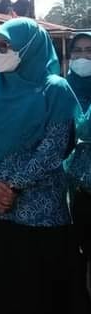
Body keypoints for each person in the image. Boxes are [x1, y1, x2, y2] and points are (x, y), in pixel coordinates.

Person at [0, 18, 90, 314]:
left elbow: (54, 148)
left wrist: (10, 187)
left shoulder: (54, 89)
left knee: (39, 301)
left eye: (5, 46)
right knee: (0, 297)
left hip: (39, 215)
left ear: (30, 47)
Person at [65, 32, 91, 295]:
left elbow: (83, 126)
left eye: (89, 51)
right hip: (70, 190)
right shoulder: (62, 89)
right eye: (77, 51)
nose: (83, 56)